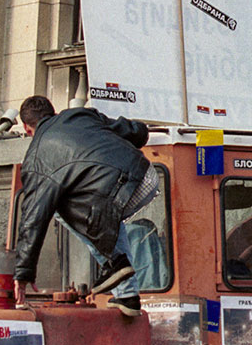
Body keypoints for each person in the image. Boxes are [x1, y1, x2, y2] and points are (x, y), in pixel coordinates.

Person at [14, 95, 159, 317]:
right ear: (53, 112)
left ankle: (114, 263)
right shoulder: (80, 115)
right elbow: (134, 132)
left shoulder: (36, 159)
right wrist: (140, 130)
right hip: (145, 176)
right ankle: (127, 296)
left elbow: (33, 218)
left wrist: (23, 273)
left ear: (26, 128)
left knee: (58, 204)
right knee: (106, 213)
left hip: (116, 196)